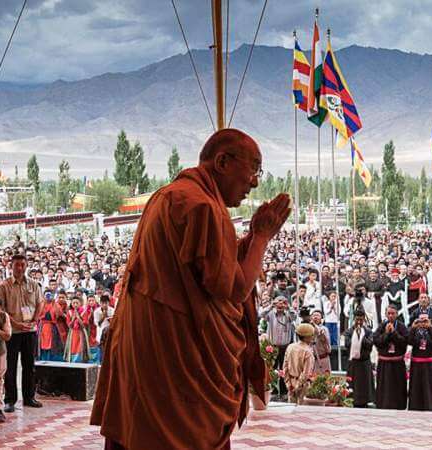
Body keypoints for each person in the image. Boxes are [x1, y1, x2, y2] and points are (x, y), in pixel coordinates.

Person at [91, 129, 290, 449]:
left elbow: (198, 270)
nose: (254, 182)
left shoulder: (167, 195)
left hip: (145, 353)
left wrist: (249, 239)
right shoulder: (202, 207)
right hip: (175, 367)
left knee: (138, 430)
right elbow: (235, 288)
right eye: (252, 169)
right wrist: (263, 237)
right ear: (222, 162)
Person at [0, 254, 43, 412]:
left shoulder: (33, 284)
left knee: (29, 365)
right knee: (10, 366)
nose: (20, 268)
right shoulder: (3, 286)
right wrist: (15, 323)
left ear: (26, 266)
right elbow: (0, 310)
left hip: (30, 331)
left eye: (23, 265)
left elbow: (39, 303)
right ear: (11, 266)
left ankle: (29, 397)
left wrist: (34, 320)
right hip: (12, 332)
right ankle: (10, 400)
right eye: (17, 265)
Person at [373, 305, 409, 410]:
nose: (390, 316)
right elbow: (377, 341)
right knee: (384, 387)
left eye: (393, 313)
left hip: (397, 363)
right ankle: (382, 405)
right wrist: (387, 334)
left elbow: (404, 342)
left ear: (397, 314)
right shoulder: (381, 326)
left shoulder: (402, 327)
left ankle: (399, 406)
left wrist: (394, 333)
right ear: (385, 314)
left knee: (397, 387)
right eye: (388, 313)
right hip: (384, 363)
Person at [407, 313, 432, 411]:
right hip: (417, 362)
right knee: (416, 386)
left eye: (425, 320)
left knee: (429, 387)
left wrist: (430, 328)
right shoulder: (415, 330)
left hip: (428, 362)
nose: (422, 322)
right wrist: (413, 328)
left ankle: (429, 406)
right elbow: (409, 341)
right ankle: (415, 406)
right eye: (420, 320)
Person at [344, 309, 374, 408]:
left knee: (364, 386)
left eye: (361, 320)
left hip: (364, 362)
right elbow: (347, 344)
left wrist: (361, 336)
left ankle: (365, 402)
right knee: (353, 386)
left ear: (364, 319)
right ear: (354, 319)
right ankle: (351, 400)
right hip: (354, 363)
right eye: (357, 320)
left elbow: (370, 345)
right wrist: (355, 335)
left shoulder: (368, 331)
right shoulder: (349, 331)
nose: (359, 322)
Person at [282, 323, 316, 404]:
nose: (312, 337)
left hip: (291, 383)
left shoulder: (290, 347)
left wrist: (289, 384)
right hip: (303, 386)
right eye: (312, 335)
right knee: (302, 411)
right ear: (307, 337)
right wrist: (298, 386)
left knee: (291, 410)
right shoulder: (308, 351)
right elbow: (306, 373)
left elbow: (285, 367)